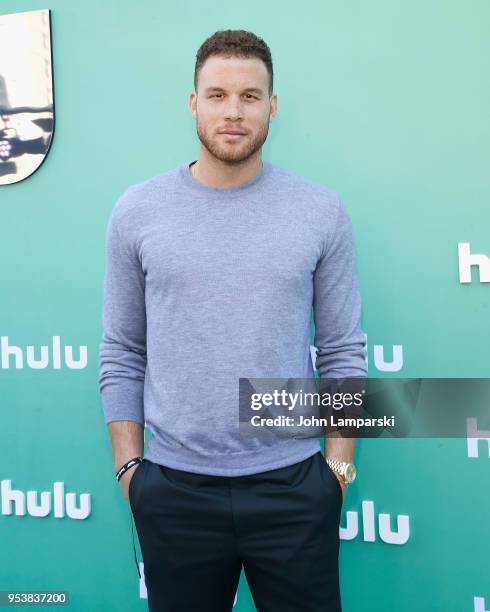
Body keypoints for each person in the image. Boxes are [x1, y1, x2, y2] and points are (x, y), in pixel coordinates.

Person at [99, 29, 366, 612]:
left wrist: (338, 468)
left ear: (273, 107)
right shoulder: (137, 211)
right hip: (173, 489)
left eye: (250, 96)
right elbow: (122, 349)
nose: (233, 112)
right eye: (217, 95)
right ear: (193, 103)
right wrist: (130, 470)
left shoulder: (320, 210)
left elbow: (343, 350)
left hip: (294, 486)